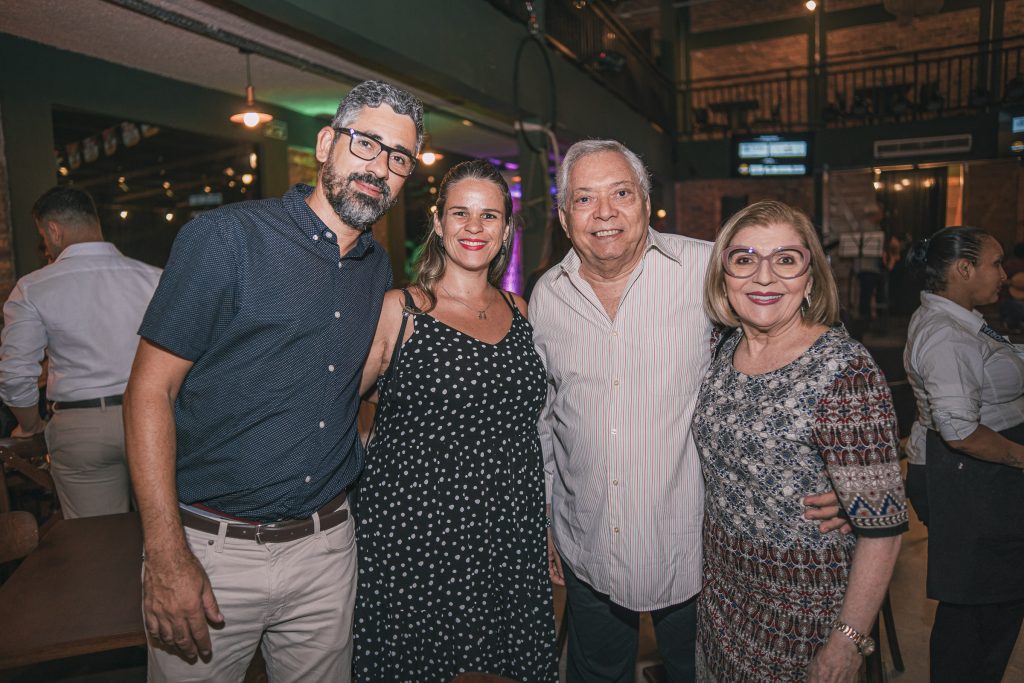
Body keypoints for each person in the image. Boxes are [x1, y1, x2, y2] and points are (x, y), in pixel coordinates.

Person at [123, 80, 423, 682]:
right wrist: (166, 553)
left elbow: (346, 386)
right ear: (324, 143)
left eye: (399, 158)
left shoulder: (376, 267)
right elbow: (148, 394)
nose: (379, 168)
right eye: (366, 144)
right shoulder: (225, 239)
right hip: (211, 552)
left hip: (327, 548)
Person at [530, 140, 848, 682]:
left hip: (691, 545)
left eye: (621, 194)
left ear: (646, 201)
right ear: (564, 218)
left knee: (694, 673)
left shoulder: (705, 267)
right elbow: (546, 419)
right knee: (596, 673)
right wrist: (546, 520)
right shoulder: (546, 297)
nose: (604, 213)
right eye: (585, 199)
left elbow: (802, 344)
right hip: (586, 540)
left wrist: (838, 476)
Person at [353, 159, 557, 681]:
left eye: (489, 216)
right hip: (416, 533)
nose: (474, 227)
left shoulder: (524, 311)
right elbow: (333, 408)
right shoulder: (401, 310)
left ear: (506, 230)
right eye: (460, 213)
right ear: (439, 223)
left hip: (509, 527)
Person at [693, 200, 907, 681]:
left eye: (786, 259)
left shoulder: (844, 371)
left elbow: (884, 526)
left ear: (810, 278)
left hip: (805, 611)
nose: (764, 277)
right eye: (745, 259)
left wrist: (847, 643)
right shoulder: (723, 348)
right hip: (723, 594)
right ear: (724, 276)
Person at [902, 226, 1024, 683]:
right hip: (970, 475)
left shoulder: (961, 319)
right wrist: (1020, 457)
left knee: (992, 600)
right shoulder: (946, 334)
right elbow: (961, 431)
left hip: (979, 475)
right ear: (964, 269)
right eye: (995, 263)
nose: (1004, 273)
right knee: (978, 607)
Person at [0, 187, 160, 518]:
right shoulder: (154, 278)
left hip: (82, 427)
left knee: (97, 543)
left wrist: (30, 425)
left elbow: (15, 374)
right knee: (164, 528)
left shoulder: (33, 287)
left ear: (53, 230)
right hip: (153, 416)